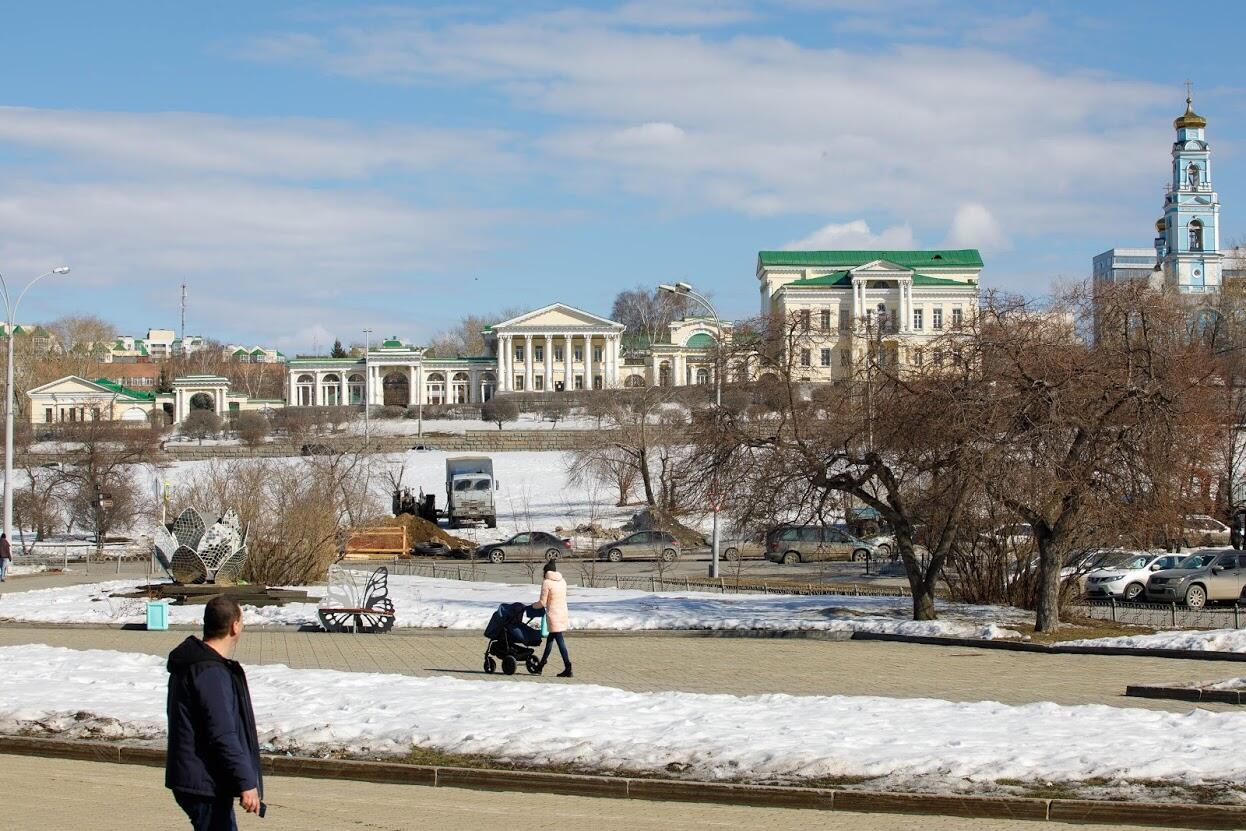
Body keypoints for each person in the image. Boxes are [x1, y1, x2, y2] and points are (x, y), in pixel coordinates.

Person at [166, 595, 263, 830]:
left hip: (198, 778)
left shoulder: (195, 663)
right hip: (203, 781)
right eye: (242, 621)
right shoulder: (210, 672)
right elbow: (222, 734)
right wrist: (246, 782)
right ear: (234, 626)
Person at [532, 559, 572, 677]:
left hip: (553, 615)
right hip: (562, 613)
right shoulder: (562, 581)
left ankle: (568, 667)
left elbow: (542, 603)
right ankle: (541, 665)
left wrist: (532, 606)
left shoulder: (547, 583)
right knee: (550, 640)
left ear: (546, 572)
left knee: (559, 641)